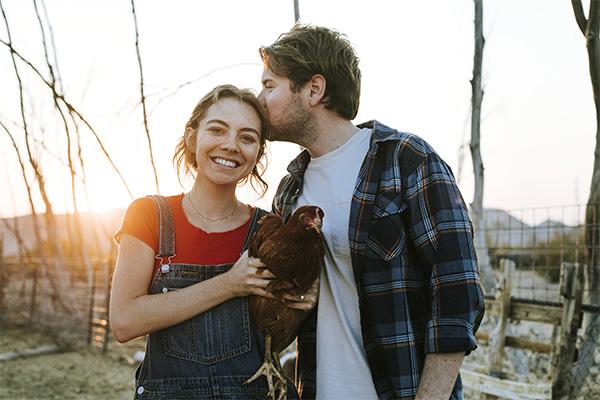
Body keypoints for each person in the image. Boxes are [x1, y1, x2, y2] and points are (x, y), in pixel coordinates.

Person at [257, 25, 486, 400]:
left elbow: (457, 291)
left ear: (313, 89)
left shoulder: (406, 161)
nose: (260, 98)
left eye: (269, 85)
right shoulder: (290, 189)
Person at [109, 84, 310, 399]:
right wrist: (229, 285)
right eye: (217, 130)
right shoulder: (150, 216)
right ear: (192, 137)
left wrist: (297, 308)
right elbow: (124, 322)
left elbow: (267, 336)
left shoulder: (267, 229)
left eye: (247, 137)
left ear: (258, 152)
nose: (231, 145)